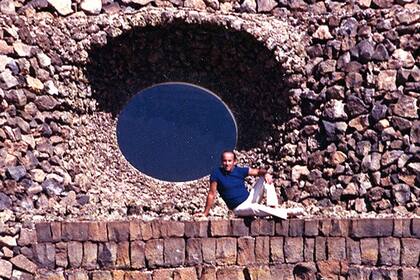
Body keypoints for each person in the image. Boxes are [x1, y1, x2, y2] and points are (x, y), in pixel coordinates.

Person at [197, 150, 302, 219]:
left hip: (249, 199)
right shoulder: (216, 174)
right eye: (225, 161)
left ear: (234, 161)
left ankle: (273, 206)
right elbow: (211, 194)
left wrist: (265, 174)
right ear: (221, 161)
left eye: (230, 161)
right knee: (254, 208)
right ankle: (287, 212)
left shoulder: (239, 170)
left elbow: (257, 171)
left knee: (265, 178)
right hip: (238, 208)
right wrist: (205, 214)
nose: (227, 163)